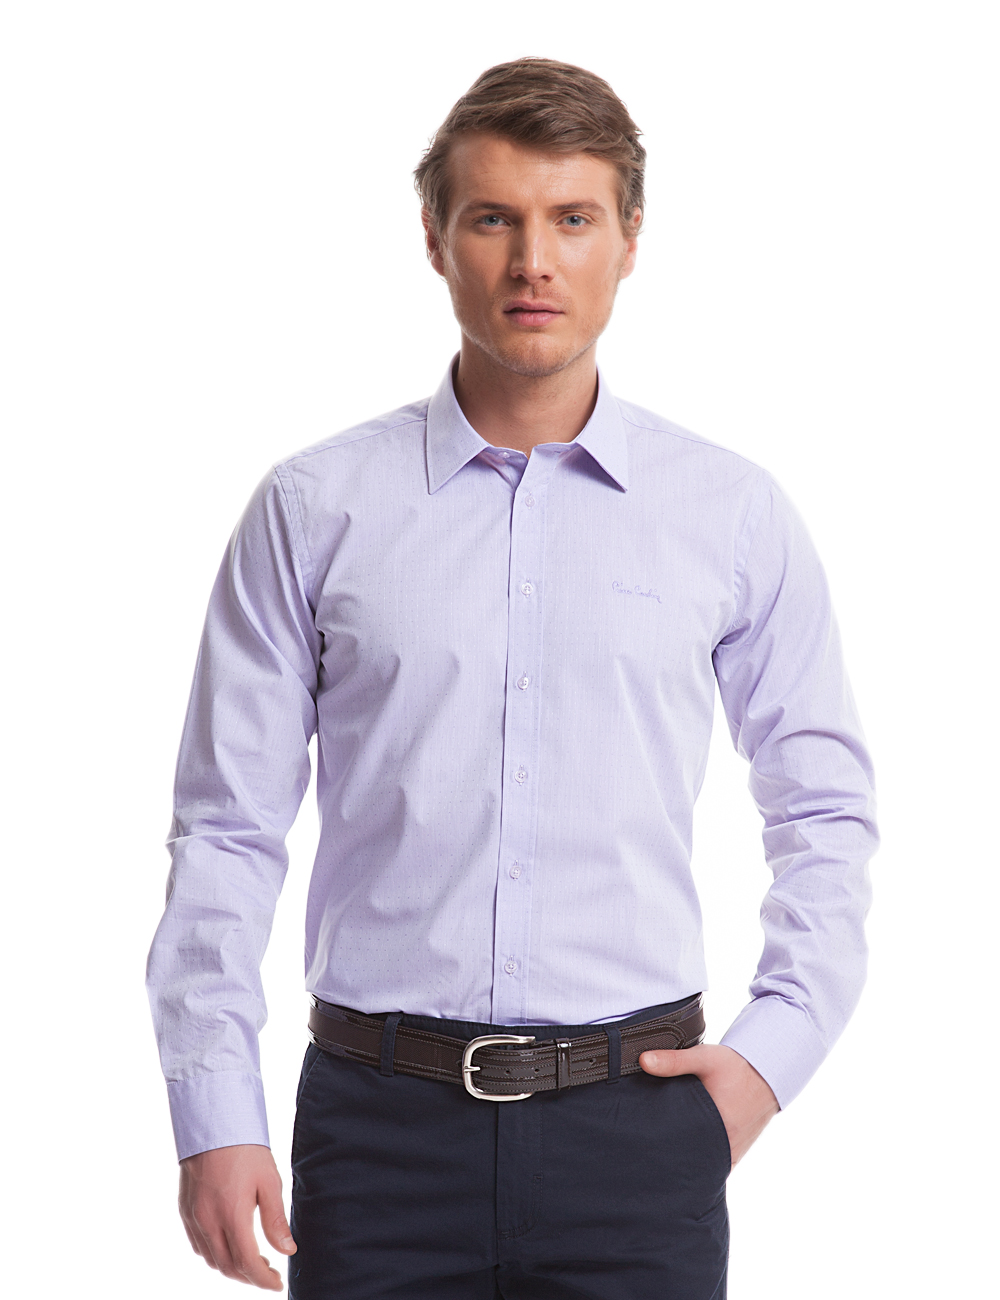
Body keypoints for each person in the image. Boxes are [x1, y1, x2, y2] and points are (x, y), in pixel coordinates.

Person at [146, 56, 878, 1299]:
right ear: (435, 240)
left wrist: (770, 1057)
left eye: (571, 219)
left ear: (629, 241)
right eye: (493, 218)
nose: (533, 261)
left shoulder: (731, 515)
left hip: (637, 1130)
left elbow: (825, 811)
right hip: (376, 1134)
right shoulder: (313, 509)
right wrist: (212, 1109)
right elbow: (226, 828)